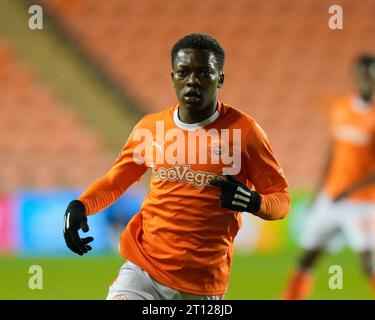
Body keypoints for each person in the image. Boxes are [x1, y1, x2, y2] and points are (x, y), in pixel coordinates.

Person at [63, 33, 290, 300]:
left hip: (204, 283)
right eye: (184, 72)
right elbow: (116, 181)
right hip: (143, 271)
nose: (193, 80)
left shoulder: (245, 132)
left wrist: (254, 202)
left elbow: (281, 200)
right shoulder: (150, 128)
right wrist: (81, 205)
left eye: (204, 73)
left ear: (221, 79)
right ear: (173, 78)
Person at [283, 55, 375, 300]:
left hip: (362, 202)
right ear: (354, 76)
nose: (365, 79)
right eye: (361, 74)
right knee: (309, 254)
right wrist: (318, 193)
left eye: (370, 74)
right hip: (331, 196)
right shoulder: (341, 107)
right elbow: (333, 152)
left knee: (368, 260)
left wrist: (350, 189)